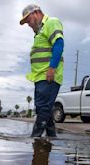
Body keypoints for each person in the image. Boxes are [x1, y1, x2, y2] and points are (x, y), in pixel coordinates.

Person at [20, 4, 64, 137]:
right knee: (43, 108)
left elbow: (59, 44)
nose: (28, 24)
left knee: (43, 107)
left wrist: (52, 68)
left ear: (36, 13)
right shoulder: (40, 32)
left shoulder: (51, 22)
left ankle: (36, 138)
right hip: (40, 77)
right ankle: (51, 137)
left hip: (48, 76)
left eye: (28, 20)